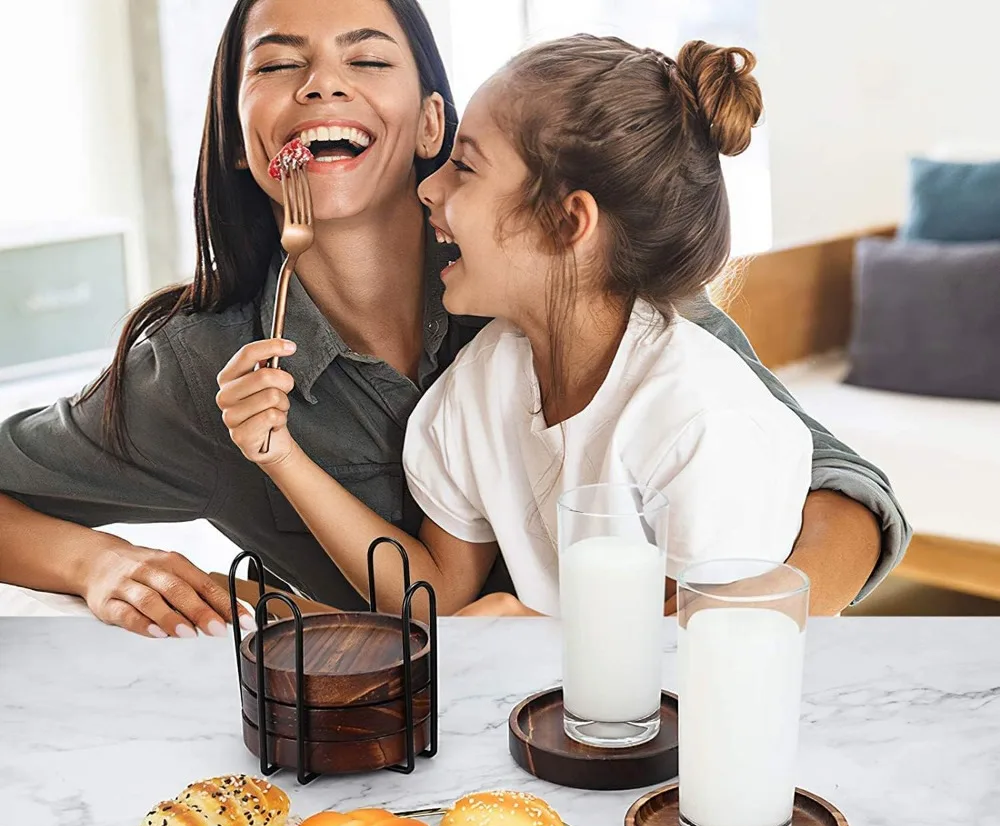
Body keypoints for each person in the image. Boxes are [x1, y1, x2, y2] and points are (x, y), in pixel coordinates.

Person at [0, 0, 907, 638]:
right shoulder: (201, 371)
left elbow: (838, 490)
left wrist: (741, 632)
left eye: (366, 58)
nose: (321, 85)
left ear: (432, 121)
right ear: (242, 137)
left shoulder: (581, 284)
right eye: (277, 62)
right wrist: (97, 564)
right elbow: (434, 600)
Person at [217, 34, 823, 618]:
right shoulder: (485, 377)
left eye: (466, 168)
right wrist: (280, 456)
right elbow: (437, 595)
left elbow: (696, 661)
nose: (428, 187)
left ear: (566, 223)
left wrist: (542, 638)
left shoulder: (704, 424)